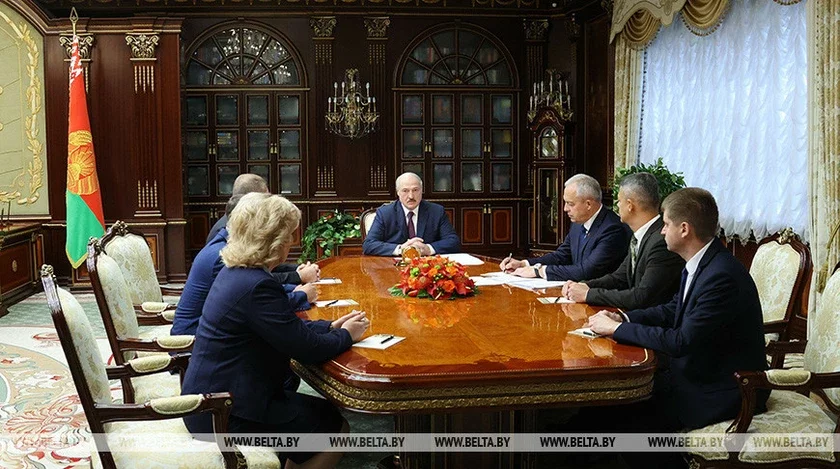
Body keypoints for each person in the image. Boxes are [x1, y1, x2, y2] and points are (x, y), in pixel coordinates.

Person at [182, 192, 369, 468]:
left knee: (320, 414)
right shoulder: (257, 285)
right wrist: (346, 335)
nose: (292, 241)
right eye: (290, 234)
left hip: (215, 400)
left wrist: (329, 326)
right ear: (275, 240)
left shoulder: (238, 272)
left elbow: (285, 327)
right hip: (224, 414)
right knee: (334, 428)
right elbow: (305, 349)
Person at [585, 188, 768, 462]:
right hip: (699, 374)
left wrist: (617, 330)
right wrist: (623, 318)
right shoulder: (703, 261)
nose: (661, 231)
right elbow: (673, 309)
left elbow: (681, 341)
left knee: (630, 425)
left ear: (684, 229)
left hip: (725, 389)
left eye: (666, 224)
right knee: (613, 406)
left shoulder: (721, 276)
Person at [172, 193, 320, 336]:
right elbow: (254, 298)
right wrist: (299, 295)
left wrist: (294, 286)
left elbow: (259, 288)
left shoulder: (229, 245)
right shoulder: (221, 255)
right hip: (193, 333)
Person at [563, 172, 684, 309]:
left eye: (619, 201)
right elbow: (619, 278)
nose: (617, 206)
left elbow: (641, 296)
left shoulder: (661, 241)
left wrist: (588, 294)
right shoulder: (639, 236)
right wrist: (583, 285)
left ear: (630, 205)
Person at [500, 173, 630, 281]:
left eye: (570, 204)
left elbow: (586, 271)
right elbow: (561, 256)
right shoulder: (578, 222)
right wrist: (523, 264)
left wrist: (539, 271)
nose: (565, 209)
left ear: (588, 204)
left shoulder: (612, 229)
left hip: (598, 298)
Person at [363, 172, 461, 256]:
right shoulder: (385, 213)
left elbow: (453, 242)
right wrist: (401, 249)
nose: (411, 196)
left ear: (421, 190)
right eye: (405, 191)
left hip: (427, 266)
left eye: (415, 190)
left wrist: (428, 249)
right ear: (398, 192)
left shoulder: (436, 211)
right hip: (394, 266)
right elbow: (369, 245)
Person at [206, 173, 268, 243]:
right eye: (265, 198)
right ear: (252, 198)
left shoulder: (235, 221)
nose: (267, 203)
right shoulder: (228, 230)